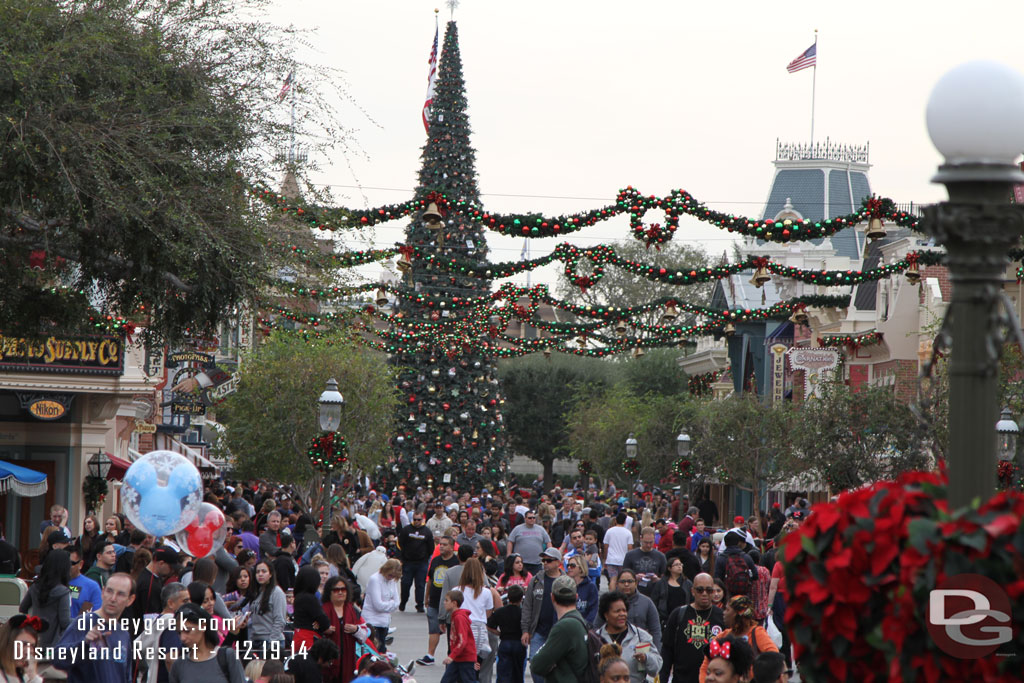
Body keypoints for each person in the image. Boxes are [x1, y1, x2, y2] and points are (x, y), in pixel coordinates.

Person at [53, 572, 136, 682]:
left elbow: (126, 676)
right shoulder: (83, 622)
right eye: (109, 591)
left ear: (130, 600)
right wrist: (85, 644)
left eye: (120, 594)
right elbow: (58, 659)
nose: (113, 598)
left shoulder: (123, 634)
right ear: (102, 592)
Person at [660, 573, 725, 683]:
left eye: (709, 590)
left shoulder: (722, 617)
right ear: (692, 591)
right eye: (700, 590)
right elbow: (667, 650)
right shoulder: (678, 614)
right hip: (681, 679)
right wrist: (663, 679)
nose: (704, 593)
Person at [698, 596, 777, 681]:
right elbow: (705, 666)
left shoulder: (757, 633)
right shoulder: (722, 636)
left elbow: (774, 658)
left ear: (737, 614)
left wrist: (753, 676)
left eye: (727, 610)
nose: (723, 613)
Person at [528, 575, 589, 683]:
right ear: (576, 597)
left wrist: (551, 665)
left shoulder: (564, 626)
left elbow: (537, 665)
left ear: (552, 597)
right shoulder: (579, 620)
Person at [168, 602, 247, 683]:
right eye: (179, 632)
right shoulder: (178, 665)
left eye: (187, 631)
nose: (182, 638)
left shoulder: (227, 657)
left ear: (203, 626)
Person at [595, 591, 662, 683]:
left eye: (624, 610)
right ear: (606, 615)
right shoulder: (596, 638)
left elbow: (656, 667)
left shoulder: (640, 636)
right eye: (617, 611)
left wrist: (646, 658)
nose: (622, 614)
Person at [520, 548, 565, 683]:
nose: (545, 563)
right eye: (543, 560)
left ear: (558, 562)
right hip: (538, 631)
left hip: (559, 632)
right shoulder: (535, 580)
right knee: (535, 663)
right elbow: (527, 606)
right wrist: (525, 630)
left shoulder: (566, 581)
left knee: (559, 665)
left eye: (549, 560)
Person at [418, 535, 461, 666]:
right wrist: (426, 597)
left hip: (451, 603)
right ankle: (430, 655)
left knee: (452, 631)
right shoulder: (436, 560)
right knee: (433, 628)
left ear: (452, 547)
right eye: (440, 544)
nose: (441, 546)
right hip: (435, 600)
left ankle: (453, 655)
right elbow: (430, 579)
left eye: (445, 544)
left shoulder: (456, 562)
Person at [596, 569, 661, 651]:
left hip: (641, 649)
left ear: (636, 583)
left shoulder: (647, 602)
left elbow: (655, 630)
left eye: (630, 581)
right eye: (622, 582)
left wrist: (656, 651)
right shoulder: (608, 602)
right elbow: (596, 627)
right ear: (617, 584)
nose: (626, 584)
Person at [136, 582, 189, 683]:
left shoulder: (158, 621)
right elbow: (170, 659)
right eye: (185, 601)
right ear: (170, 603)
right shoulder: (172, 623)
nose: (189, 604)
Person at [19, 549, 71, 648]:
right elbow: (65, 622)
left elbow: (23, 608)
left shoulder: (35, 586)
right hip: (54, 643)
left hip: (35, 638)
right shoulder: (63, 592)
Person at [322, 576, 368, 683]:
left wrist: (356, 629)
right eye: (336, 590)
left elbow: (364, 635)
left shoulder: (353, 610)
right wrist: (324, 630)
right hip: (327, 661)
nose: (340, 592)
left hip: (348, 661)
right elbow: (315, 632)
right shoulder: (322, 611)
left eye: (343, 589)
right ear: (329, 592)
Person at [487, 584, 526, 683]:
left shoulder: (500, 612)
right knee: (518, 672)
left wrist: (499, 633)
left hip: (505, 641)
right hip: (519, 642)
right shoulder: (523, 612)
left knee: (503, 672)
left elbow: (489, 626)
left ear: (508, 597)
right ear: (521, 598)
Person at [397, 510, 434, 613]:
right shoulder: (406, 530)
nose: (417, 521)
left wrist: (425, 557)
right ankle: (403, 602)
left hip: (421, 563)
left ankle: (420, 605)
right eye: (415, 519)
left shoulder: (427, 531)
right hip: (408, 562)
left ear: (422, 519)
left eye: (419, 519)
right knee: (405, 583)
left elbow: (431, 547)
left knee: (420, 584)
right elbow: (400, 543)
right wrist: (403, 557)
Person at [250, 560, 287, 658]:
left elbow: (280, 620)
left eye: (264, 571)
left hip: (271, 642)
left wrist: (272, 643)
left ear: (271, 574)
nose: (260, 574)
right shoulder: (257, 593)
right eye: (257, 572)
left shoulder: (277, 592)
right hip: (256, 641)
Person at [363, 558, 401, 653]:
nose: (391, 578)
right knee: (374, 651)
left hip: (384, 622)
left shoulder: (392, 581)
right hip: (372, 621)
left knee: (382, 651)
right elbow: (378, 605)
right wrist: (392, 604)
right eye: (390, 575)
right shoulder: (375, 579)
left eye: (394, 576)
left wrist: (390, 605)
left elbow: (397, 602)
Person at [440, 590, 478, 683]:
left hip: (465, 657)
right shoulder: (454, 616)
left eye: (446, 600)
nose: (444, 602)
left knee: (468, 680)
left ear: (454, 603)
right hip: (458, 657)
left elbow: (462, 640)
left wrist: (451, 656)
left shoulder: (459, 618)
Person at [291, 565, 331, 653]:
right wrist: (320, 624)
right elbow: (324, 621)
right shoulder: (310, 599)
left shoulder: (298, 597)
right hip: (308, 638)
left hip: (298, 636)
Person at [0, 614, 46, 683]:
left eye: (32, 646)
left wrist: (33, 676)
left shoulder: (25, 675)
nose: (29, 651)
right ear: (7, 643)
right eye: (23, 644)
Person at [622, 527, 667, 598]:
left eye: (651, 542)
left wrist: (657, 580)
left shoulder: (661, 556)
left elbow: (665, 578)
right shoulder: (630, 555)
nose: (648, 545)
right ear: (641, 538)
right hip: (634, 593)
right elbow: (623, 576)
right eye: (646, 542)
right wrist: (635, 578)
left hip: (654, 593)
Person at [649, 556, 691, 626]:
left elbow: (691, 599)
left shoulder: (687, 583)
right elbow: (654, 600)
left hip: (683, 617)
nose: (679, 566)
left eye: (680, 564)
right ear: (669, 568)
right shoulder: (661, 583)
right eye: (676, 565)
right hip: (665, 619)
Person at [507, 510, 550, 577]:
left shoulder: (541, 529)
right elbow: (510, 541)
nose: (532, 519)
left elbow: (548, 542)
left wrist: (548, 554)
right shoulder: (517, 528)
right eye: (530, 518)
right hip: (521, 563)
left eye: (533, 517)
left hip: (537, 562)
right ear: (525, 518)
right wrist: (509, 554)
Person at [715, 533, 756, 598]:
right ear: (738, 543)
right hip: (744, 594)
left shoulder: (720, 558)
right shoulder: (746, 557)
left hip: (727, 594)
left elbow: (717, 578)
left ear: (725, 544)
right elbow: (755, 575)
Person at [602, 513, 633, 591]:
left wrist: (605, 558)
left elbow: (605, 546)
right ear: (625, 522)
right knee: (622, 580)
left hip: (611, 559)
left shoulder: (609, 531)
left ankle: (612, 596)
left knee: (613, 579)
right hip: (623, 560)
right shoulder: (628, 533)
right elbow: (630, 548)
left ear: (615, 520)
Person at [566, 555, 598, 626]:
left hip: (584, 626)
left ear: (580, 568)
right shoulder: (566, 585)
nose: (569, 567)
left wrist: (584, 625)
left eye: (572, 565)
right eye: (568, 565)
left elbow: (593, 610)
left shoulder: (591, 587)